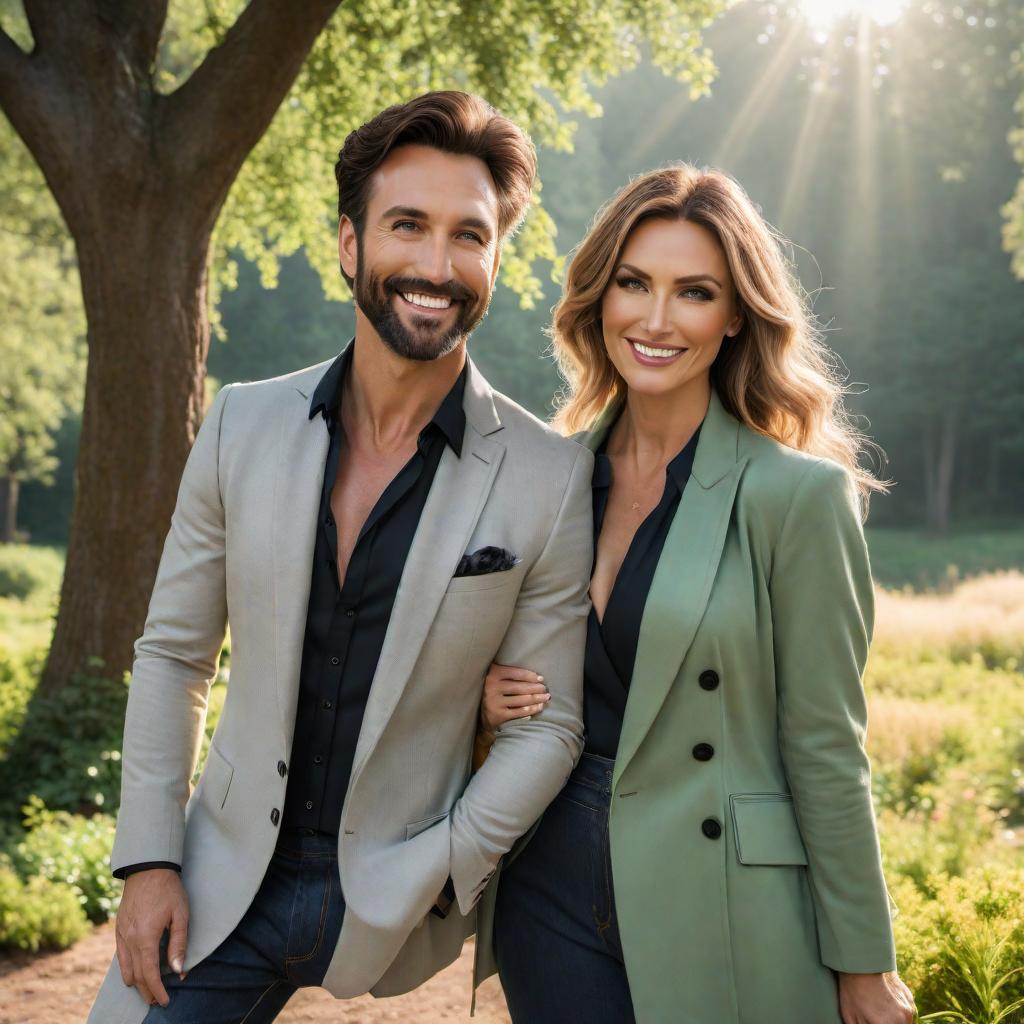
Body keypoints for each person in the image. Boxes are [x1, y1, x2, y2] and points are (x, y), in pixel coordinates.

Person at [87, 90, 594, 1024]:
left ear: (495, 257)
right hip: (217, 878)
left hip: (394, 890)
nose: (437, 267)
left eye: (469, 236)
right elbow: (173, 654)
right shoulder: (241, 423)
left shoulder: (550, 477)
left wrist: (448, 866)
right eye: (408, 226)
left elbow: (548, 726)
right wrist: (151, 859)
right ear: (350, 244)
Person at [471, 165, 917, 1024]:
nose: (657, 319)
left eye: (695, 292)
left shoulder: (797, 497)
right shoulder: (545, 479)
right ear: (599, 298)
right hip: (548, 875)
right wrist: (485, 705)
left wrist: (864, 960)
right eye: (634, 283)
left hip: (721, 889)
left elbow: (827, 744)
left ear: (737, 313)